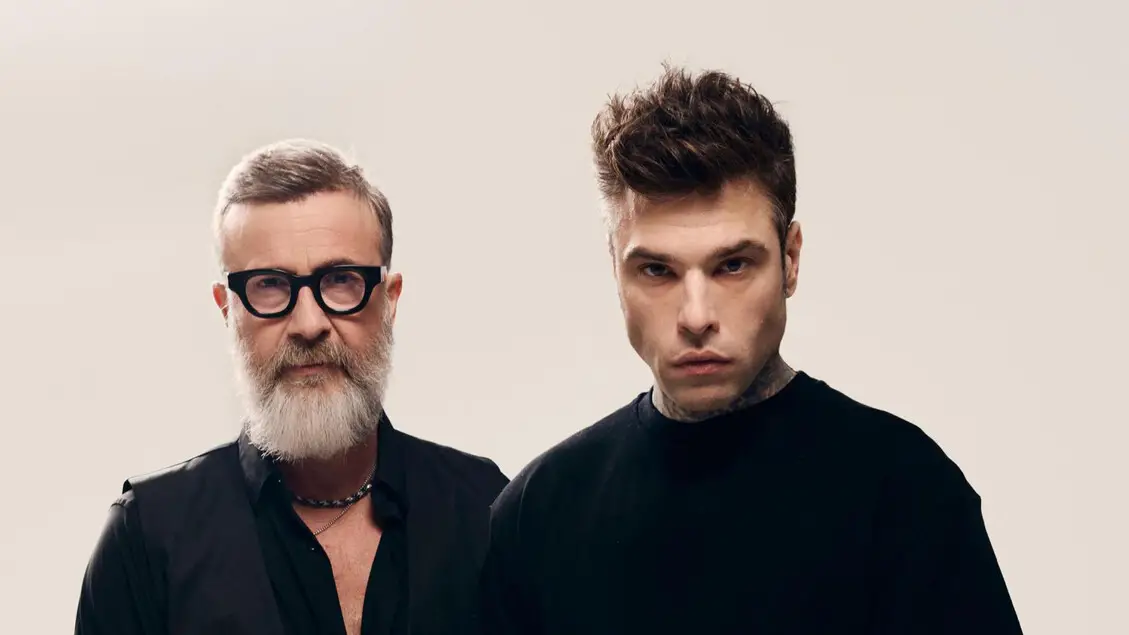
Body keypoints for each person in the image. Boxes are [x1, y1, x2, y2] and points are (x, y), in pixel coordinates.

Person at [478, 66, 1024, 634]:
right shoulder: (536, 514)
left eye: (733, 265)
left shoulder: (907, 493)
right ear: (615, 271)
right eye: (657, 270)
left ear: (790, 260)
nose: (696, 317)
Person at [75, 139, 509, 635]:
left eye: (341, 280)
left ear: (389, 300)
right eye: (269, 284)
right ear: (227, 308)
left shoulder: (484, 508)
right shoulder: (146, 538)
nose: (308, 324)